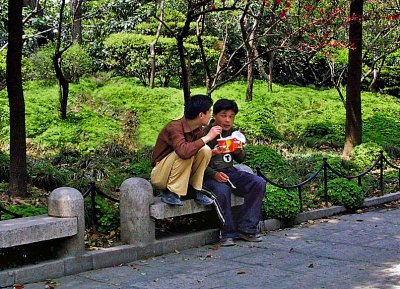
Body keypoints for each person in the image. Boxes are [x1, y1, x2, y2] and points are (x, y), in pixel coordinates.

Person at [203, 99, 267, 246]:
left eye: (231, 116)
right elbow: (195, 162)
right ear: (214, 116)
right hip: (208, 176)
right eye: (224, 115)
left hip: (230, 172)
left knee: (258, 182)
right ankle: (227, 233)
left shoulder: (233, 133)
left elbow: (240, 158)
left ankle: (247, 228)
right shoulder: (206, 133)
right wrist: (213, 174)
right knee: (222, 190)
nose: (227, 120)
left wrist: (239, 151)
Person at [151, 95, 222, 206]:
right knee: (186, 152)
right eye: (209, 111)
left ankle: (194, 190)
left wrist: (214, 152)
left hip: (182, 173)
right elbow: (184, 152)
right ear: (201, 115)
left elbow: (198, 153)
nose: (211, 115)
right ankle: (171, 192)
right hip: (161, 176)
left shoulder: (199, 130)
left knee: (205, 150)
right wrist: (208, 137)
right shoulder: (174, 127)